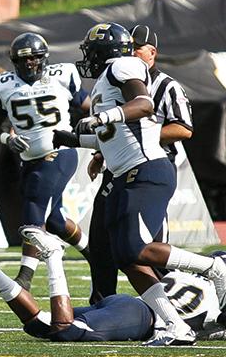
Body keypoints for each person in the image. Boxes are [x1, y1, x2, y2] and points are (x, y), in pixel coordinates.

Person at [52, 22, 226, 346]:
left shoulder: (122, 64)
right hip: (124, 173)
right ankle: (175, 326)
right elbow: (109, 137)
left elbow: (143, 105)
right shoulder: (106, 82)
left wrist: (104, 117)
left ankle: (215, 268)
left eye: (91, 50)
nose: (87, 57)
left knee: (138, 249)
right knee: (127, 258)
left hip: (147, 169)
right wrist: (67, 138)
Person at [0, 226, 226, 343]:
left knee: (39, 325)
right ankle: (53, 255)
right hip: (140, 318)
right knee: (66, 330)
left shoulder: (190, 275)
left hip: (129, 304)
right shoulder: (217, 300)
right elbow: (214, 326)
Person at [85, 24, 194, 304]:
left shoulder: (165, 85)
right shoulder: (113, 78)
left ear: (152, 53)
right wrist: (101, 152)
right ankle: (102, 303)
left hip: (149, 168)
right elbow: (113, 130)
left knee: (145, 247)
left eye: (135, 49)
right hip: (119, 168)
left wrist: (141, 135)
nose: (128, 55)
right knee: (102, 242)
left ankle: (180, 305)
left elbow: (183, 128)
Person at [0, 32, 91, 291]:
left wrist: (97, 132)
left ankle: (25, 277)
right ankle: (94, 252)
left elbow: (89, 106)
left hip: (60, 152)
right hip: (29, 159)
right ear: (14, 62)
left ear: (45, 58)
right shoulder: (2, 84)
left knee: (34, 207)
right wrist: (6, 139)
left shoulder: (63, 75)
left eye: (35, 58)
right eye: (25, 60)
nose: (31, 63)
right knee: (54, 222)